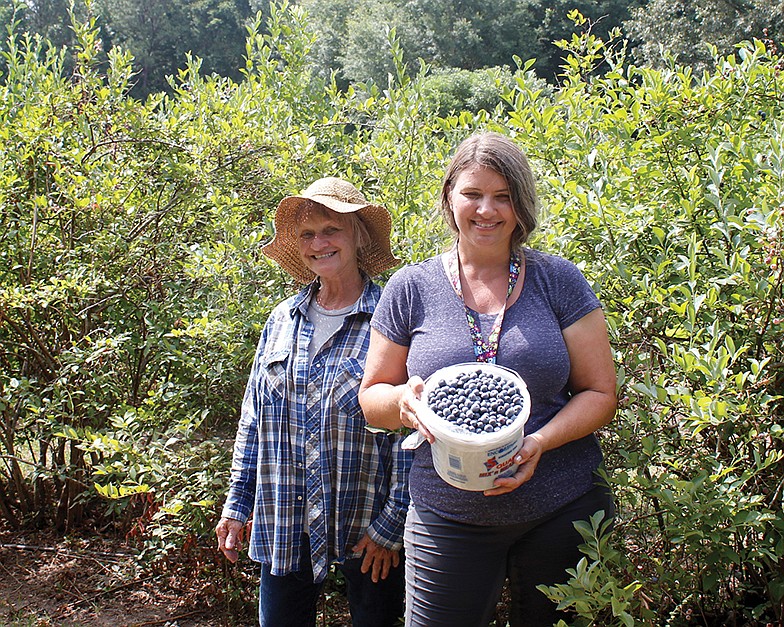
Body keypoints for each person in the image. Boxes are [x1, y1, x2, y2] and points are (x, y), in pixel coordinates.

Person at [358, 132, 617, 627]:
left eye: (503, 196)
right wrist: (405, 404)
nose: (487, 210)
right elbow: (372, 397)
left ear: (521, 206)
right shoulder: (411, 287)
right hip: (448, 513)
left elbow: (601, 392)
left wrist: (538, 441)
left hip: (561, 506)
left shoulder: (558, 280)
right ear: (449, 198)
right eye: (473, 194)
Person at [216, 177, 411, 627]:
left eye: (331, 229)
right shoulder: (281, 320)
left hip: (367, 522)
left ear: (358, 236)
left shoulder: (390, 318)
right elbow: (254, 419)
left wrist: (392, 524)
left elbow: (410, 431)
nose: (319, 243)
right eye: (307, 234)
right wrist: (237, 504)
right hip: (286, 516)